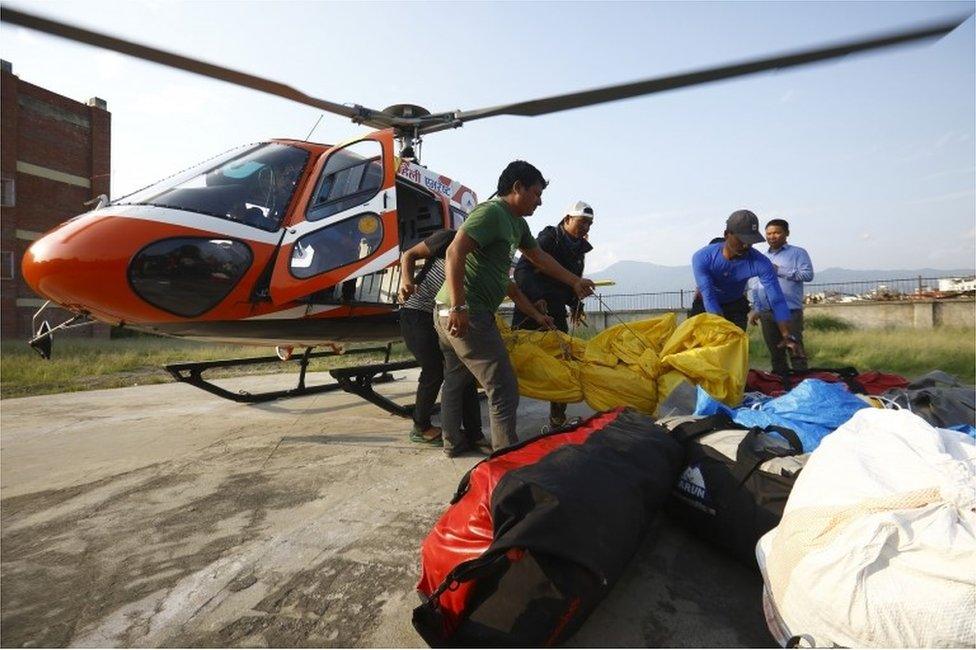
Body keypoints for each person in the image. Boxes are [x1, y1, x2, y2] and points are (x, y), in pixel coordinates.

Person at [434, 160, 596, 457]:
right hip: (466, 312)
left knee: (456, 380)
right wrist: (459, 305)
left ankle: (453, 444)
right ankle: (507, 459)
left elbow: (536, 260)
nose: (540, 200)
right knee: (504, 387)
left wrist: (573, 283)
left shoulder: (517, 224)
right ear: (517, 187)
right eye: (536, 193)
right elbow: (454, 251)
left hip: (454, 311)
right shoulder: (492, 212)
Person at [512, 200, 594, 429]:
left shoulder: (580, 251)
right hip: (530, 309)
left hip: (556, 313)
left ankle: (557, 418)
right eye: (582, 222)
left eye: (589, 224)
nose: (586, 228)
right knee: (515, 364)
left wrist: (576, 305)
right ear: (567, 219)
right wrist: (536, 299)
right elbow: (522, 271)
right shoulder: (549, 239)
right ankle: (505, 418)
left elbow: (570, 284)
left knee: (563, 365)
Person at [397, 229, 483, 446]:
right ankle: (420, 427)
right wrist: (406, 281)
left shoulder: (483, 252)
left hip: (442, 317)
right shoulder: (449, 237)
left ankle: (475, 432)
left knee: (464, 370)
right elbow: (409, 255)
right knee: (434, 369)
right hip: (416, 312)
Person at [689, 209, 804, 359]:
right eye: (741, 240)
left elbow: (777, 299)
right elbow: (708, 296)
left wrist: (787, 335)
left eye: (750, 241)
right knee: (704, 356)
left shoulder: (761, 263)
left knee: (733, 355)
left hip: (736, 306)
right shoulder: (703, 257)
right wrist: (720, 329)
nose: (745, 246)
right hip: (706, 306)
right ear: (726, 234)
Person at [748, 218, 814, 375]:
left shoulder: (798, 253)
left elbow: (807, 275)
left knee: (795, 350)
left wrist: (779, 270)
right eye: (769, 233)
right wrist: (756, 308)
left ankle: (802, 385)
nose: (772, 236)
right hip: (767, 313)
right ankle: (780, 387)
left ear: (787, 233)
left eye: (777, 232)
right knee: (776, 354)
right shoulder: (762, 257)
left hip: (790, 311)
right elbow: (756, 284)